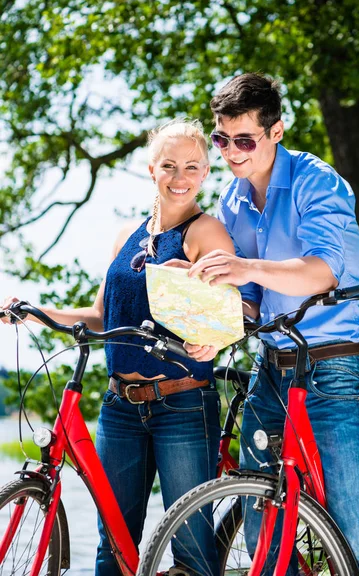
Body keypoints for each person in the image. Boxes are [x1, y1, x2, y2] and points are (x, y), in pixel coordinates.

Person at [1, 119, 235, 576]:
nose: (179, 176)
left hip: (182, 402)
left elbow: (231, 311)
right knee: (113, 546)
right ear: (151, 169)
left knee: (191, 548)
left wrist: (215, 337)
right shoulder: (126, 235)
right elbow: (101, 315)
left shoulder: (206, 233)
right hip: (120, 406)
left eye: (191, 166)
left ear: (206, 172)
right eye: (168, 165)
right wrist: (35, 311)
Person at [186, 74, 359, 575]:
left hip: (334, 366)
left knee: (358, 536)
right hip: (272, 369)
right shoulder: (232, 201)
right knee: (261, 517)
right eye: (222, 140)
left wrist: (243, 268)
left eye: (244, 140)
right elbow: (252, 303)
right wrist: (208, 314)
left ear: (276, 131)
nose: (232, 153)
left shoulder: (316, 180)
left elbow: (323, 271)